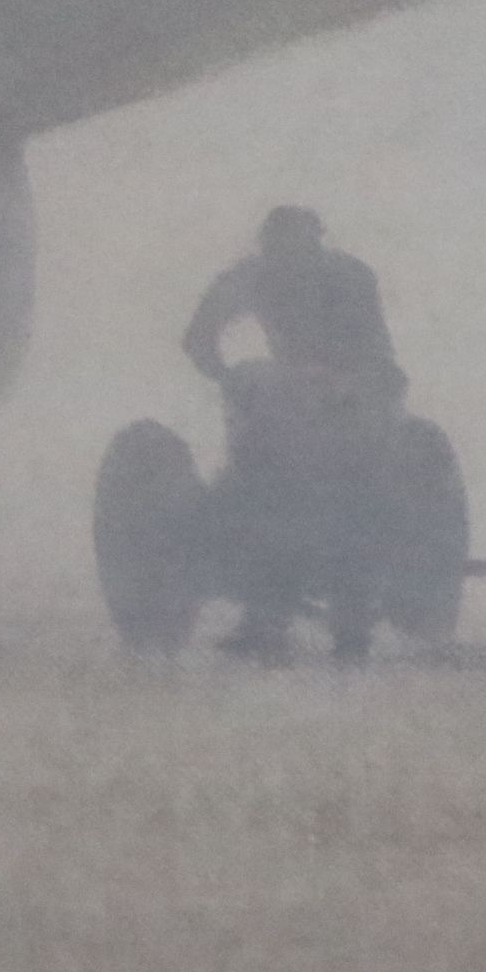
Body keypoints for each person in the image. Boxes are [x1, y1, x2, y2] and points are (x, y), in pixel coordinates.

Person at [181, 205, 406, 657]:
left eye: (297, 248)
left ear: (317, 244)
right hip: (289, 398)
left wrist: (339, 383)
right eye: (278, 249)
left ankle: (348, 627)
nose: (288, 258)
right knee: (263, 489)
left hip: (357, 394)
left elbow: (374, 351)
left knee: (353, 497)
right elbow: (198, 337)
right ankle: (269, 620)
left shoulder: (350, 277)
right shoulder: (251, 276)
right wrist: (228, 376)